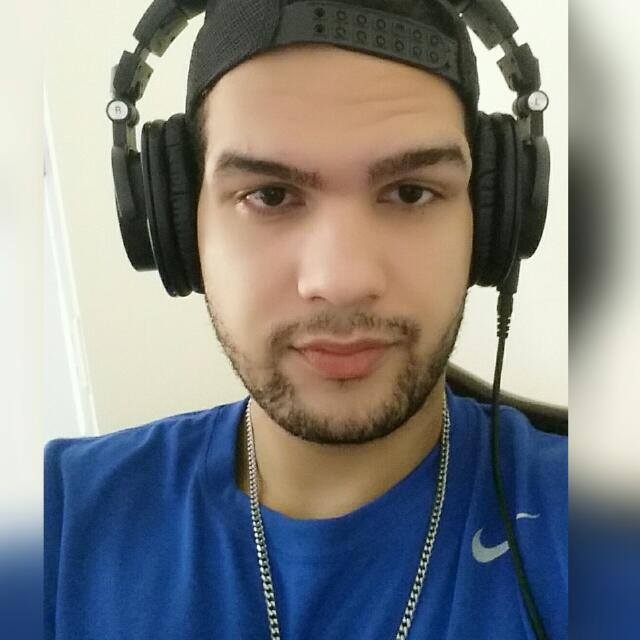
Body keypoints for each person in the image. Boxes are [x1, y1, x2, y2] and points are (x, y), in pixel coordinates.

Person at [45, 1, 567, 638]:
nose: (339, 280)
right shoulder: (55, 524)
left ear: (494, 220)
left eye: (410, 192)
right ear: (180, 228)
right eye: (269, 195)